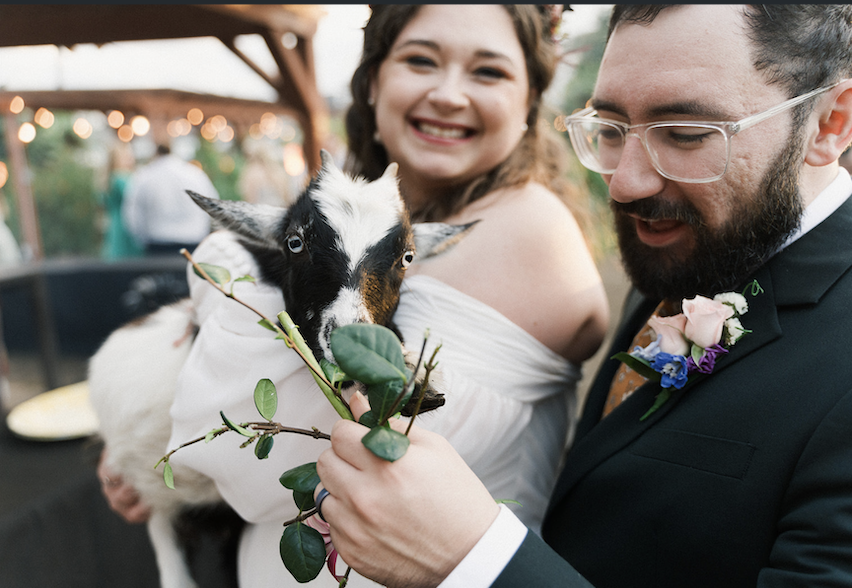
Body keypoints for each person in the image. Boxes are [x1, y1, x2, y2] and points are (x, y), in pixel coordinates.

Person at [313, 4, 852, 588]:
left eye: (686, 135)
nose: (625, 183)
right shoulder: (693, 251)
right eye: (613, 128)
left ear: (829, 124)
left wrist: (476, 561)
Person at [99, 4, 608, 587]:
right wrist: (133, 439)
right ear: (373, 81)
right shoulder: (365, 215)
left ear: (530, 100)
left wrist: (220, 262)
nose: (447, 94)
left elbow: (250, 468)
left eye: (487, 72)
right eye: (421, 60)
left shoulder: (524, 227)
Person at [122, 143, 220, 256]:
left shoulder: (144, 175)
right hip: (193, 242)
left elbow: (132, 215)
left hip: (157, 245)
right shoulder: (195, 174)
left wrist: (142, 240)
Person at [100, 142, 144, 260]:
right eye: (125, 156)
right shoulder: (120, 178)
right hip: (125, 225)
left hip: (116, 225)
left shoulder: (110, 179)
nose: (129, 159)